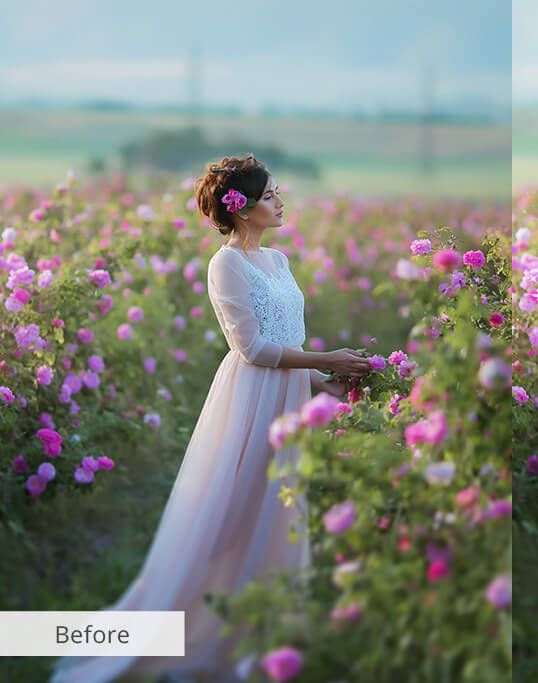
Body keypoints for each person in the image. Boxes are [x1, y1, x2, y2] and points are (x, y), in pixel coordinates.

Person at [50, 154, 371, 683]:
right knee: (229, 514)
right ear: (241, 210)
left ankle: (258, 637)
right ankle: (196, 632)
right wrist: (324, 359)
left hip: (286, 397)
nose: (280, 200)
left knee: (276, 514)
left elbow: (287, 344)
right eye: (269, 195)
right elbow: (252, 348)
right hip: (250, 400)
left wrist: (326, 382)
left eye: (276, 192)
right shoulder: (226, 264)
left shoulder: (281, 261)